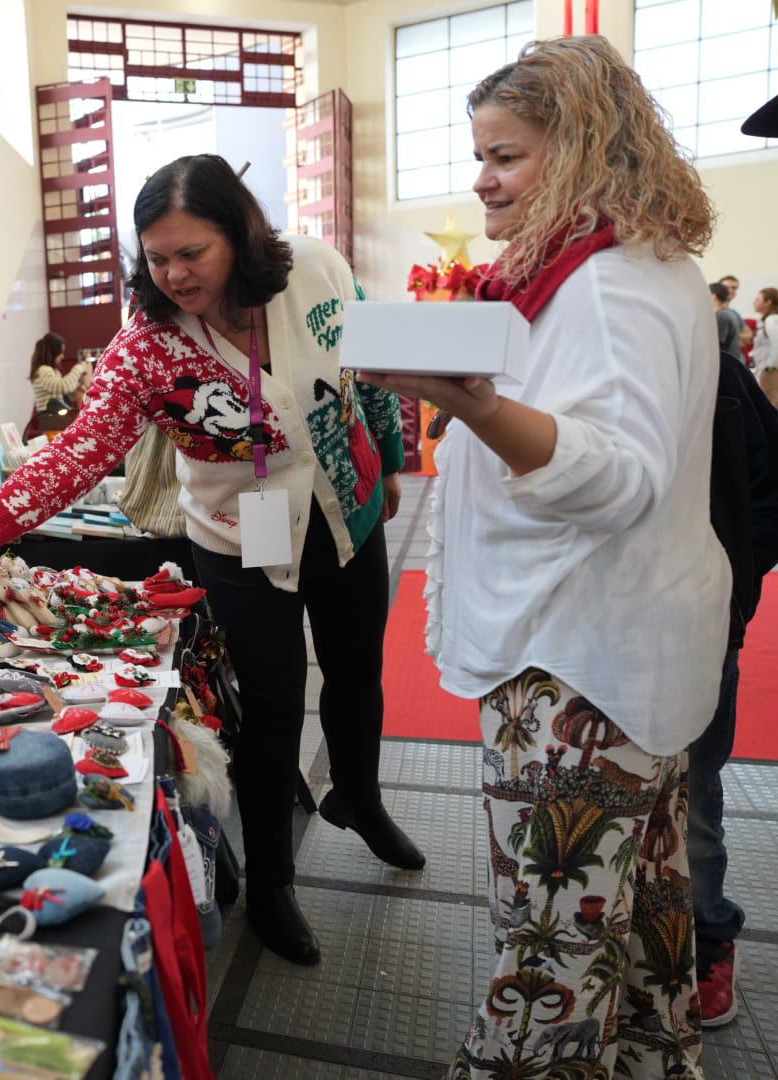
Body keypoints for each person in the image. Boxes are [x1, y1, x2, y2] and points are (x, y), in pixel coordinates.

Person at [0, 154, 419, 967]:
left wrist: (391, 461)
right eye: (157, 257)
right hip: (237, 536)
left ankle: (358, 796)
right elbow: (80, 451)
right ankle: (271, 883)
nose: (175, 273)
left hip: (346, 509)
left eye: (193, 253)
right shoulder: (145, 347)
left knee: (358, 669)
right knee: (271, 705)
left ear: (241, 234)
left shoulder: (319, 271)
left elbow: (370, 376)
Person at [359, 37, 726, 1077]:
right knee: (640, 943)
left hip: (575, 669)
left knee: (546, 964)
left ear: (581, 152)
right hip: (610, 651)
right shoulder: (617, 269)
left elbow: (615, 482)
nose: (480, 179)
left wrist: (463, 402)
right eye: (478, 154)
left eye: (505, 156)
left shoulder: (605, 286)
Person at [692, 345, 778, 1028]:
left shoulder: (717, 370)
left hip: (700, 622)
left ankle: (708, 936)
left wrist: (734, 583)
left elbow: (770, 479)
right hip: (588, 631)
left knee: (695, 789)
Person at [24, 333, 92, 440]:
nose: (63, 356)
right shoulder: (43, 370)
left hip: (53, 421)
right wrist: (79, 368)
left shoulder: (51, 371)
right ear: (52, 352)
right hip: (51, 424)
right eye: (60, 353)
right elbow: (63, 386)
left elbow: (63, 391)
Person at [751, 287, 778, 405]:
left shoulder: (772, 320)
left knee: (771, 405)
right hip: (765, 370)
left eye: (758, 300)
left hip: (771, 371)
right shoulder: (765, 320)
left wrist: (770, 368)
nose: (754, 302)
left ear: (768, 302)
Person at [711, 282, 743, 356]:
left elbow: (716, 346)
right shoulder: (729, 313)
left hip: (726, 363)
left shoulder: (721, 315)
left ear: (713, 296)